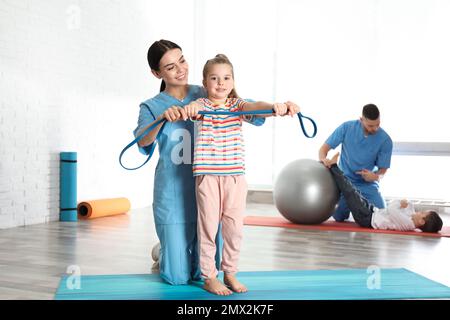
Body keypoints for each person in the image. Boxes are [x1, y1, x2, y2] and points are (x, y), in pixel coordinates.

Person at [134, 40, 266, 285]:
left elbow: (244, 109)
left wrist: (276, 108)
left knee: (201, 271)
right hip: (173, 191)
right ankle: (164, 251)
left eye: (182, 60)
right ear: (157, 73)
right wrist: (162, 119)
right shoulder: (151, 106)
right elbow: (143, 141)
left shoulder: (205, 90)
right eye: (170, 67)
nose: (181, 69)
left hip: (211, 186)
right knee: (176, 277)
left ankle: (176, 251)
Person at [183, 54, 300, 295]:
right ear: (205, 83)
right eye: (214, 78)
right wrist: (191, 107)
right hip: (208, 176)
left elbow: (254, 107)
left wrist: (276, 107)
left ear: (233, 81)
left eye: (226, 78)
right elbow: (190, 109)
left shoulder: (237, 106)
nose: (221, 83)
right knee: (207, 227)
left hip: (235, 177)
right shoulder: (202, 106)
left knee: (234, 228)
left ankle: (230, 272)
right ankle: (208, 276)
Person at [326, 153, 443, 233]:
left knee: (350, 192)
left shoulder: (407, 224)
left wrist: (399, 202)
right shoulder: (412, 218)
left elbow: (392, 209)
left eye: (422, 213)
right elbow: (410, 207)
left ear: (421, 221)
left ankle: (333, 167)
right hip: (371, 211)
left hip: (366, 218)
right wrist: (407, 203)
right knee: (354, 191)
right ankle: (335, 170)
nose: (419, 212)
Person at [319, 104, 393, 222]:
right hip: (345, 182)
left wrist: (375, 177)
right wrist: (323, 160)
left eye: (378, 124)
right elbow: (323, 149)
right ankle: (352, 207)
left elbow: (383, 171)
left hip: (368, 185)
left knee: (382, 215)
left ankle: (359, 207)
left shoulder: (385, 140)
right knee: (339, 217)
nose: (375, 128)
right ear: (361, 120)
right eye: (370, 125)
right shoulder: (346, 127)